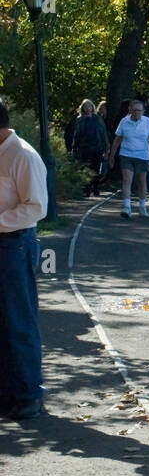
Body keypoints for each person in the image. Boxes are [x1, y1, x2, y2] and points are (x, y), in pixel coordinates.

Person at [0, 97, 49, 420]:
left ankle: (30, 393)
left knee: (18, 320)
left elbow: (37, 208)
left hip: (14, 244)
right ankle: (9, 392)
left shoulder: (23, 156)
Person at [107, 99, 149, 219]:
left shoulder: (147, 122)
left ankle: (142, 206)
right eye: (134, 110)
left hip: (142, 155)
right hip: (126, 154)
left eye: (139, 111)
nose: (136, 113)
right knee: (127, 180)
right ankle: (126, 207)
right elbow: (117, 139)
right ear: (130, 110)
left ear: (143, 111)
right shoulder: (124, 121)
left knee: (141, 181)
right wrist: (112, 156)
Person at [71, 99, 109, 196]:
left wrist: (106, 148)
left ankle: (96, 188)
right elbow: (76, 134)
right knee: (86, 168)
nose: (88, 108)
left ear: (93, 107)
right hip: (84, 147)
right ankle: (87, 189)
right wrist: (74, 147)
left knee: (96, 168)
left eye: (89, 106)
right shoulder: (80, 119)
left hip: (97, 146)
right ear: (83, 108)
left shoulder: (98, 119)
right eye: (86, 106)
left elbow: (103, 133)